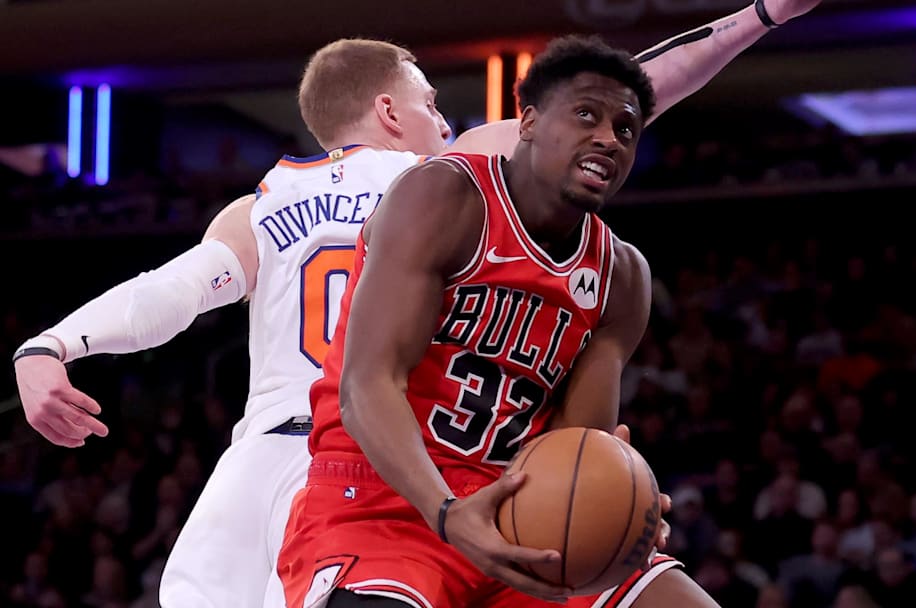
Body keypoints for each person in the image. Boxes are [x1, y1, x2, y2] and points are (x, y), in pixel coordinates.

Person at [12, 1, 820, 606]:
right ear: (394, 112)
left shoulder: (263, 204)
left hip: (272, 456)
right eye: (433, 103)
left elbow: (173, 294)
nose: (449, 119)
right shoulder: (457, 178)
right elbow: (637, 87)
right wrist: (763, 14)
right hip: (377, 459)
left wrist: (50, 346)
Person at [277, 34, 732, 608]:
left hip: (517, 507)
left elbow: (575, 444)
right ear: (530, 122)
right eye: (586, 115)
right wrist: (445, 512)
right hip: (382, 499)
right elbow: (367, 385)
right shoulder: (444, 196)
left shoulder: (622, 276)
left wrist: (616, 502)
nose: (607, 138)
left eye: (626, 129)